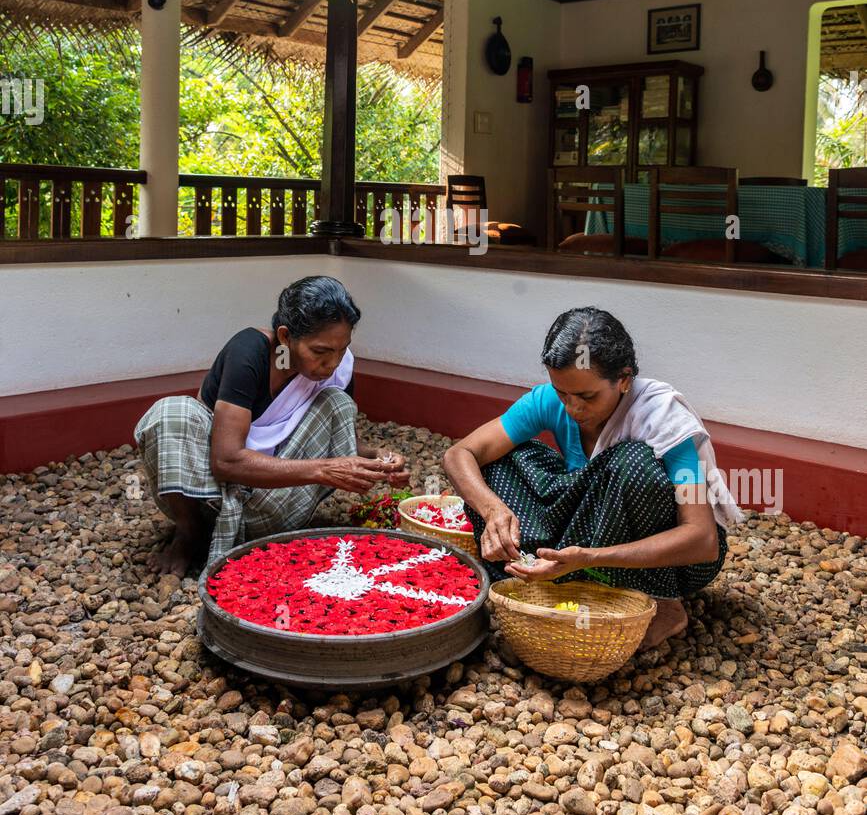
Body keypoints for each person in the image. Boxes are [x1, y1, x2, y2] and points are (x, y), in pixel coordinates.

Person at [443, 306, 743, 651]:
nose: (572, 408)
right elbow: (460, 454)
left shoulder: (663, 420)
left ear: (625, 379)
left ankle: (663, 605)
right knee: (503, 461)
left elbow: (701, 540)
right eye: (562, 394)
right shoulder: (550, 400)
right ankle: (559, 578)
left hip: (675, 564)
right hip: (590, 533)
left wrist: (590, 557)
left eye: (587, 396)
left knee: (634, 463)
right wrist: (492, 509)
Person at [135, 275, 409, 575]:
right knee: (171, 412)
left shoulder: (338, 369)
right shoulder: (250, 352)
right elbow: (225, 461)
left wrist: (377, 459)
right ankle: (190, 534)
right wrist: (325, 470)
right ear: (284, 336)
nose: (332, 363)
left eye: (341, 350)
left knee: (338, 403)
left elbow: (342, 439)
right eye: (319, 352)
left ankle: (252, 537)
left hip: (271, 502)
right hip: (204, 494)